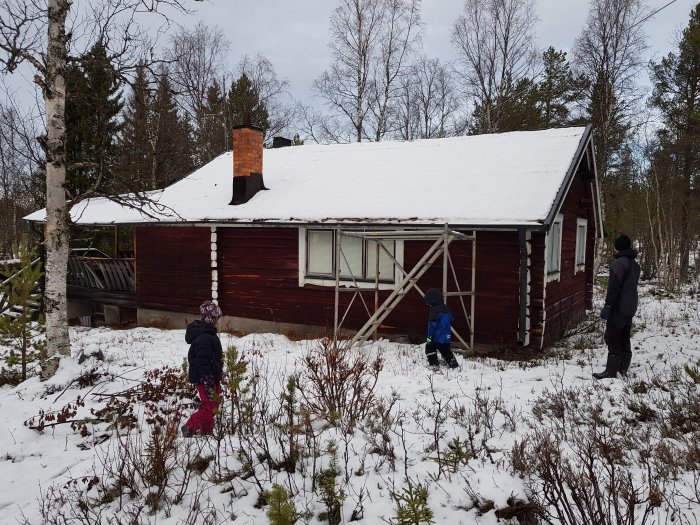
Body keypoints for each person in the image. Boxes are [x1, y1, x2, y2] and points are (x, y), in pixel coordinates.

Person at [594, 234, 641, 380]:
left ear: (618, 248)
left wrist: (608, 305)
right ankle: (622, 368)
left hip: (619, 307)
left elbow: (614, 288)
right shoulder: (634, 264)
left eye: (614, 246)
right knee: (624, 335)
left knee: (612, 336)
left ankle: (611, 371)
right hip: (631, 306)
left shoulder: (619, 264)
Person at [182, 300, 224, 436]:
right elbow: (202, 362)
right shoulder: (204, 338)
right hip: (205, 379)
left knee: (213, 407)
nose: (219, 322)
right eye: (217, 319)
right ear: (211, 319)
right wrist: (207, 381)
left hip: (212, 377)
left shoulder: (210, 335)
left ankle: (207, 432)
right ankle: (189, 426)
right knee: (210, 408)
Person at [424, 288, 459, 370]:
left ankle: (434, 364)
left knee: (429, 348)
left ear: (431, 301)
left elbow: (432, 325)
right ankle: (453, 363)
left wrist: (429, 337)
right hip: (447, 336)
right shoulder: (447, 308)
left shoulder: (434, 310)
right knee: (446, 350)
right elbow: (452, 318)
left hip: (435, 337)